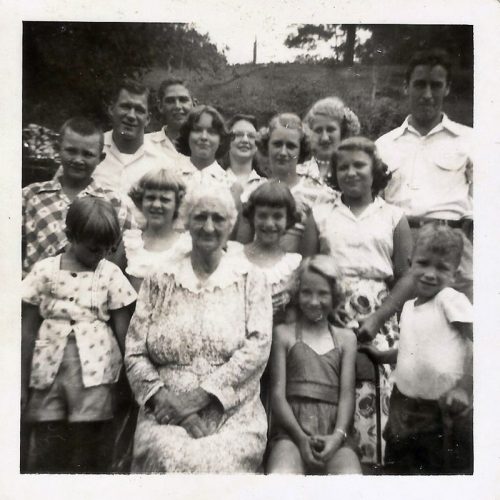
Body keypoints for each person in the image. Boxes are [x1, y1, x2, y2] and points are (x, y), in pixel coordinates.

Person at [125, 183, 273, 473]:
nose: (208, 227)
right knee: (168, 455)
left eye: (218, 219)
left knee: (218, 463)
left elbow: (258, 347)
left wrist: (196, 400)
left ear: (230, 225)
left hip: (232, 413)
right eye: (200, 217)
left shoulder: (250, 279)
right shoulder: (160, 277)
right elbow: (134, 352)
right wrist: (168, 404)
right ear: (187, 222)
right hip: (164, 412)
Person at [301, 137, 414, 464]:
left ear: (374, 170)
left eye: (359, 165)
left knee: (373, 393)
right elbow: (307, 269)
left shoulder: (393, 216)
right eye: (343, 166)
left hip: (376, 317)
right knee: (330, 391)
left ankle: (371, 468)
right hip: (327, 315)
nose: (351, 172)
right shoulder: (320, 214)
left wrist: (379, 317)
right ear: (335, 173)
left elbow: (405, 276)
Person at [21, 197, 137, 473]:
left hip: (94, 380)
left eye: (108, 250)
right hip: (48, 377)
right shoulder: (45, 270)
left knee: (87, 450)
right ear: (71, 235)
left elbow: (125, 333)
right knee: (48, 449)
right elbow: (27, 330)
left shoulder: (109, 274)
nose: (101, 256)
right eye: (94, 249)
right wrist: (21, 380)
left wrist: (131, 383)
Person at [361, 224, 473, 474]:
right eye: (423, 264)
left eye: (442, 268)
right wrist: (381, 356)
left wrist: (465, 388)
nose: (430, 274)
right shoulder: (410, 306)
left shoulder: (450, 300)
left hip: (439, 410)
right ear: (410, 264)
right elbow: (412, 351)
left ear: (454, 274)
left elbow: (482, 343)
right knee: (398, 465)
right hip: (403, 405)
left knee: (435, 470)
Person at [375, 49, 473, 302]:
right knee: (404, 327)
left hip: (454, 247)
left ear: (447, 88)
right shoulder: (384, 145)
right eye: (419, 85)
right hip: (400, 247)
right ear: (406, 87)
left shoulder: (472, 141)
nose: (427, 95)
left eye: (436, 85)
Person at [266, 256, 361, 474]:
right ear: (297, 293)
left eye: (323, 293)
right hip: (291, 434)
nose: (313, 301)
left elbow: (347, 396)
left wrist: (337, 437)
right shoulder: (284, 334)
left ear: (335, 295)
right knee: (281, 478)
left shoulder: (346, 339)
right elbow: (278, 396)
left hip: (334, 436)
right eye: (306, 292)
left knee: (350, 481)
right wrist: (300, 439)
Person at [23, 117, 134, 277]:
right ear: (58, 148)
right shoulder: (30, 195)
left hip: (88, 296)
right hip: (33, 293)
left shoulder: (114, 203)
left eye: (88, 154)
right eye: (71, 150)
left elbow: (127, 254)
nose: (78, 160)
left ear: (100, 158)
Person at [237, 113, 336, 253]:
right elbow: (241, 249)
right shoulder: (251, 190)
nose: (283, 152)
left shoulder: (319, 194)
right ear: (267, 145)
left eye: (291, 146)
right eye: (277, 144)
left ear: (301, 149)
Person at [92, 79, 178, 197]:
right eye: (126, 107)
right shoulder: (90, 149)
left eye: (139, 110)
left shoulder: (163, 163)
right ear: (111, 110)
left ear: (148, 119)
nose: (131, 116)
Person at [239, 181, 301, 324]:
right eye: (262, 215)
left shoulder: (293, 267)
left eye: (277, 216)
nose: (269, 223)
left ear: (288, 219)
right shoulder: (235, 257)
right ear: (252, 217)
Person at [124, 167, 190, 291]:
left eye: (165, 200)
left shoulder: (186, 246)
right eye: (150, 198)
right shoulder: (129, 244)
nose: (156, 205)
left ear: (177, 204)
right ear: (141, 200)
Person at [299, 96, 361, 181]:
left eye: (330, 130)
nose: (325, 138)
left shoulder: (356, 174)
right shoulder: (298, 173)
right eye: (318, 130)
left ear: (342, 132)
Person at [176, 105, 232, 194]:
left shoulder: (229, 184)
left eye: (211, 132)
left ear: (221, 139)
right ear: (187, 135)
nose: (204, 137)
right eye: (197, 130)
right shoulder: (172, 176)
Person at [147, 78, 195, 155]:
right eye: (170, 101)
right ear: (160, 106)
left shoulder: (205, 145)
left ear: (194, 104)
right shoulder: (145, 144)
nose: (177, 106)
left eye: (183, 100)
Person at [224, 114, 263, 195]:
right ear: (227, 141)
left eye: (251, 136)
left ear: (257, 145)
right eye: (238, 135)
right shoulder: (214, 180)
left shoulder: (264, 185)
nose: (245, 140)